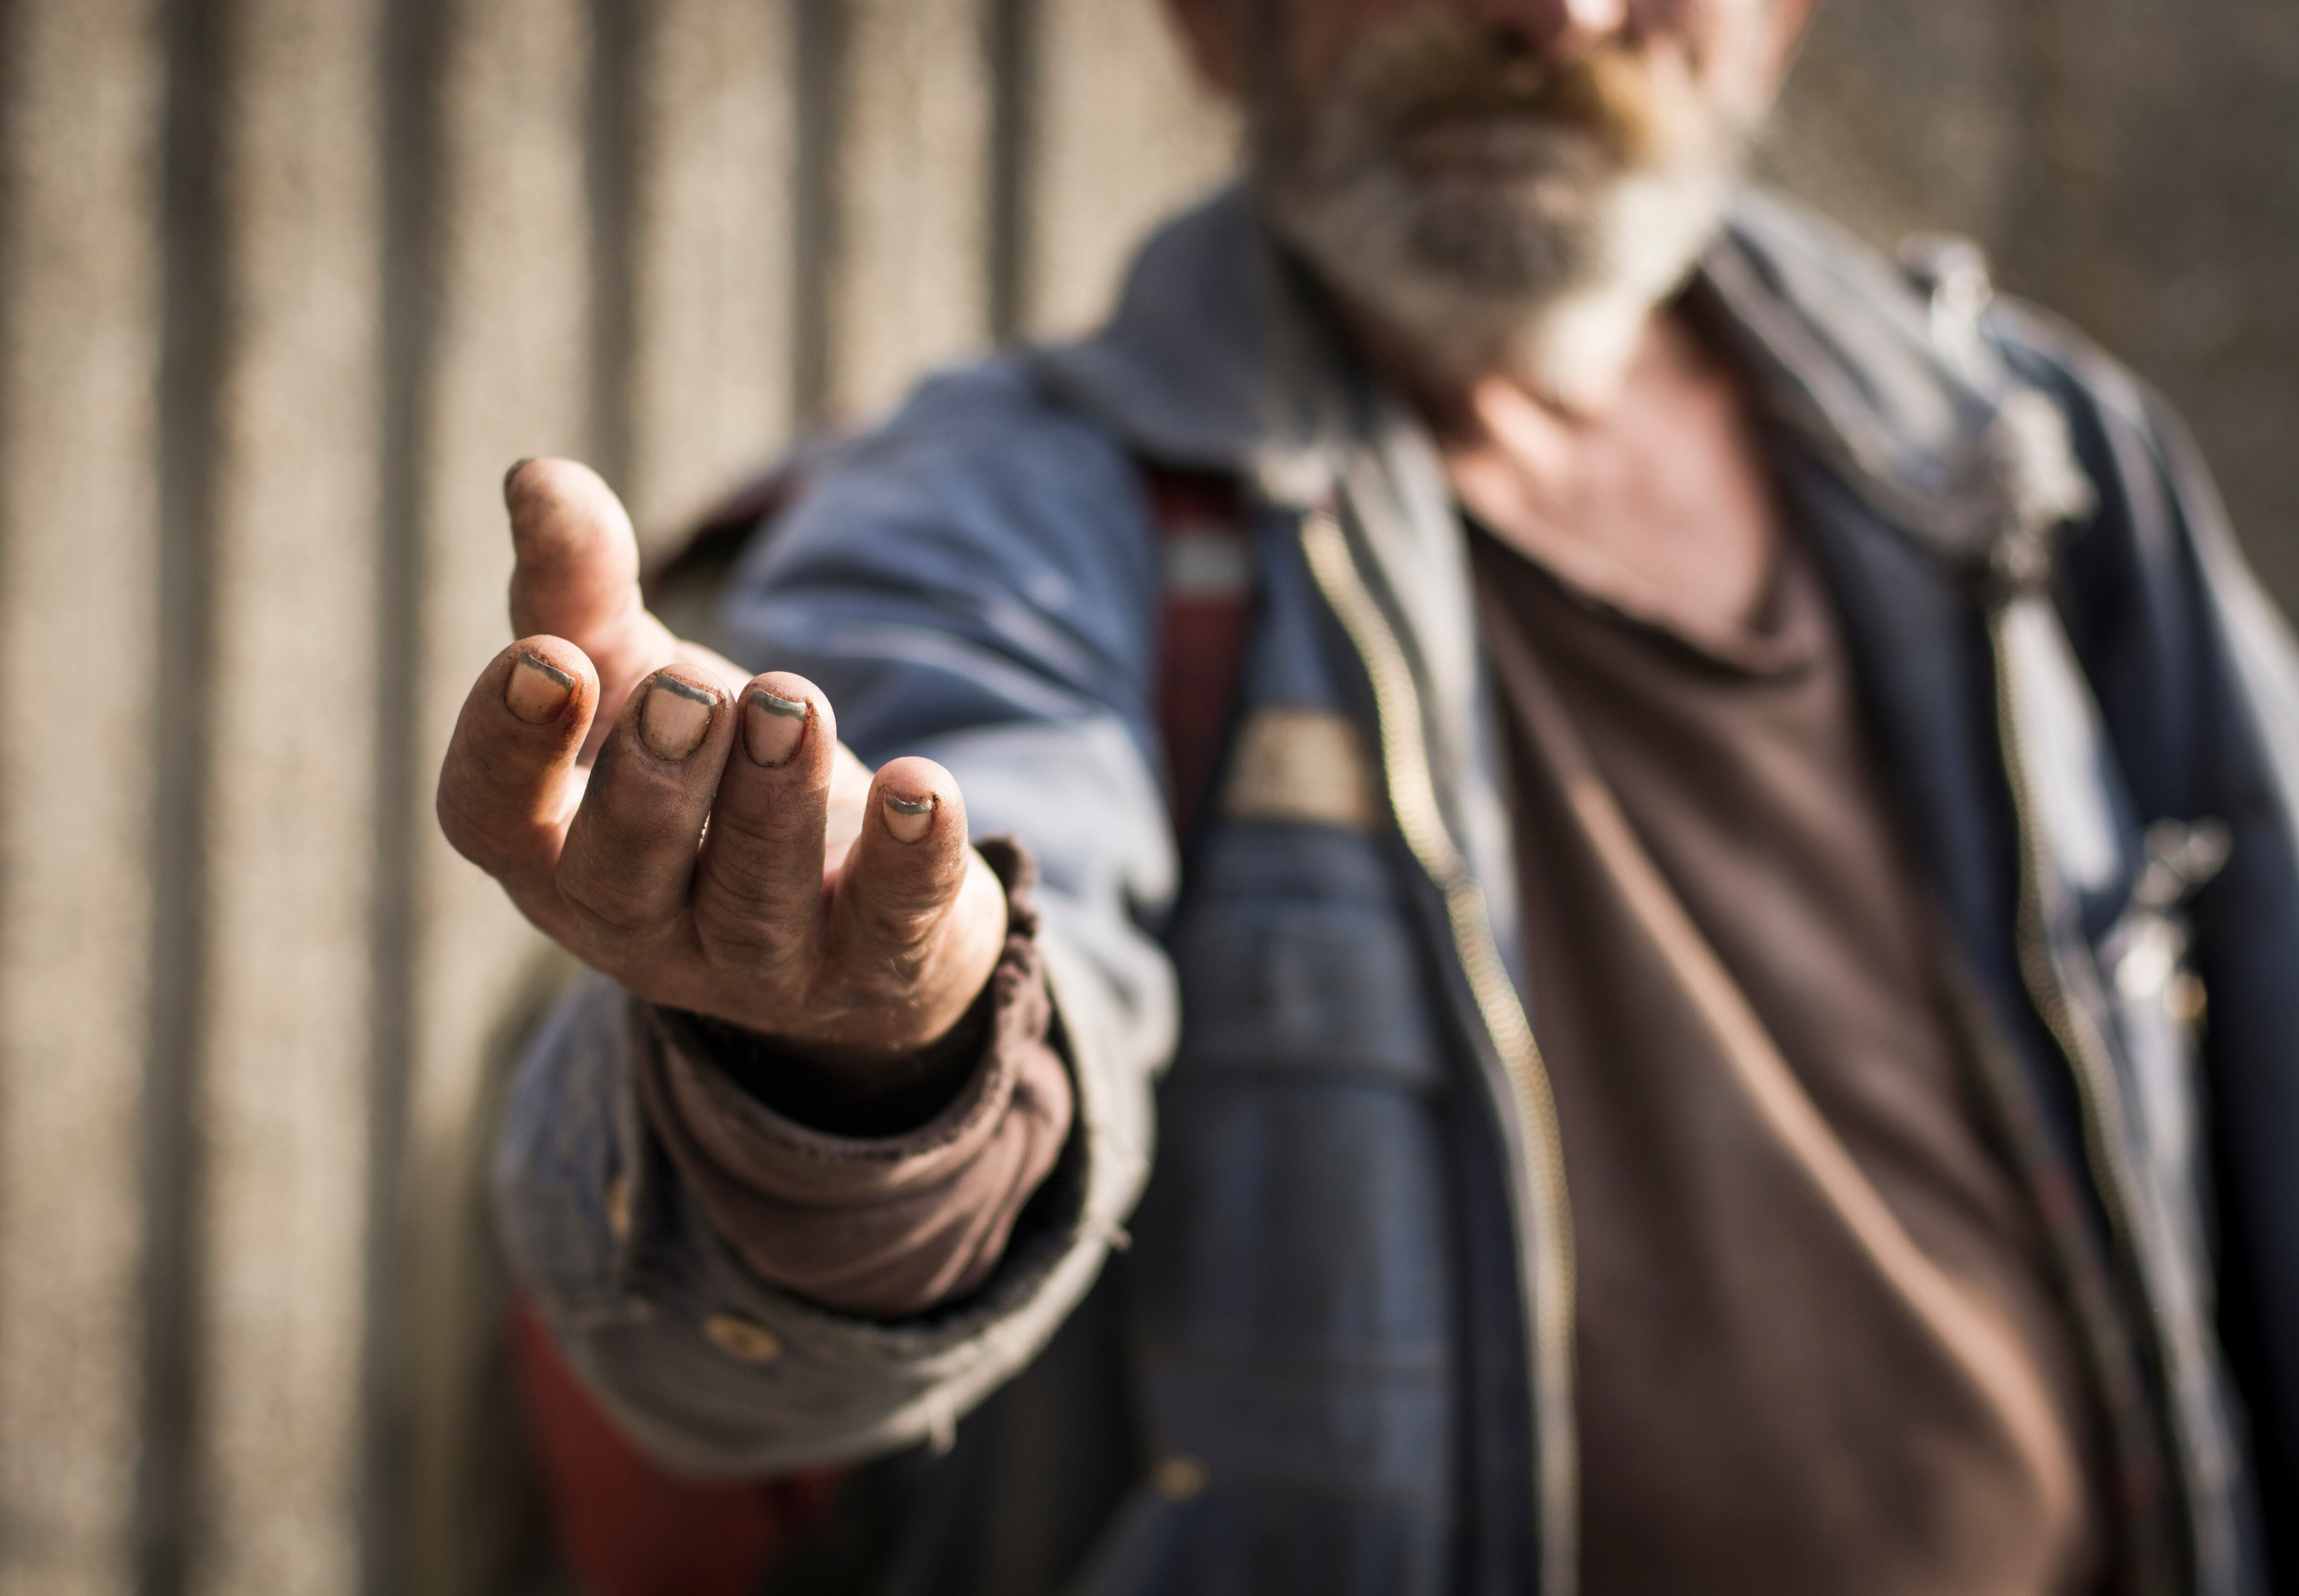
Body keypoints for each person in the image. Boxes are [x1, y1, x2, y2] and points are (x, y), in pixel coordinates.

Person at [437, 0, 2298, 1590]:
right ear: (1212, 17)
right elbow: (749, 1320)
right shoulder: (996, 519)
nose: (1559, 17)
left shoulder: (2039, 469)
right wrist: (863, 1056)